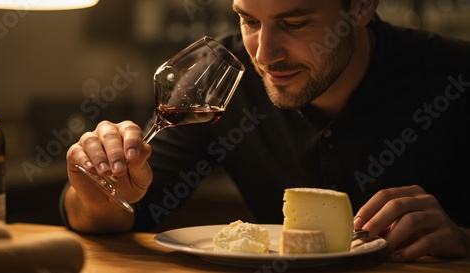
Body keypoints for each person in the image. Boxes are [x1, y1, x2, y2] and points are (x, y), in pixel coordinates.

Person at [62, 0, 470, 262]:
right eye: (249, 20)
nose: (264, 54)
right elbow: (119, 216)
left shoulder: (454, 76)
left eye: (295, 23)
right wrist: (97, 195)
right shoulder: (219, 78)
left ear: (361, 7)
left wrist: (465, 240)